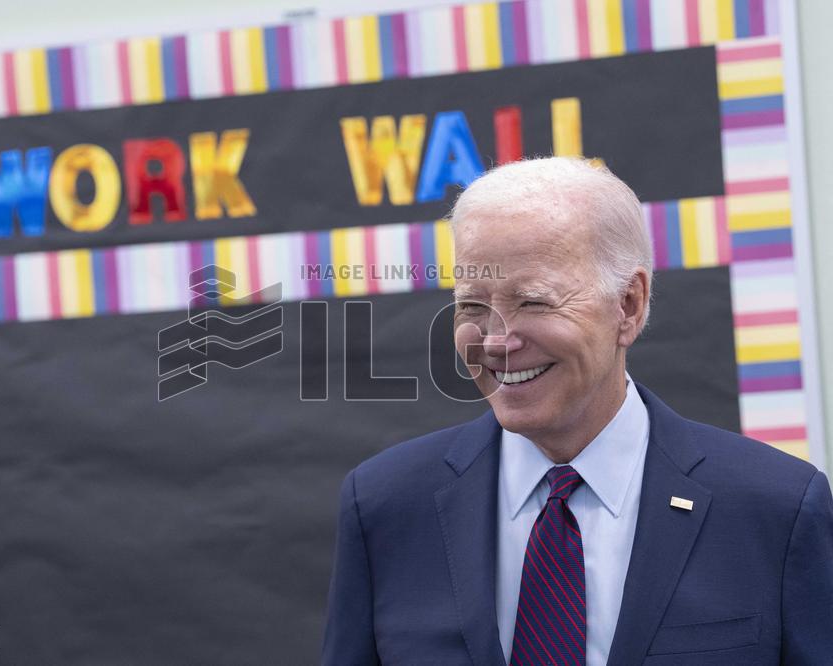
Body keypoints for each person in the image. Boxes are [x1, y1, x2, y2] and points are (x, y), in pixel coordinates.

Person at [321, 157, 833, 665]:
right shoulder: (385, 507)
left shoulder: (777, 510)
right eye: (473, 306)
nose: (496, 341)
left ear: (628, 305)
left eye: (535, 302)